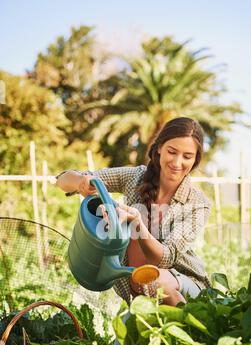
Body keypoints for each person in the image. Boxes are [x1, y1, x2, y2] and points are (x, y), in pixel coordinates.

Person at [56, 117, 211, 307]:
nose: (177, 162)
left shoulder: (198, 204)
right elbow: (62, 181)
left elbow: (166, 257)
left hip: (184, 285)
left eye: (187, 156)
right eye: (172, 152)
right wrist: (81, 181)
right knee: (127, 332)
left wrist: (137, 222)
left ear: (195, 159)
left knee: (154, 281)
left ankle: (189, 328)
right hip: (140, 296)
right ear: (160, 147)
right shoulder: (136, 177)